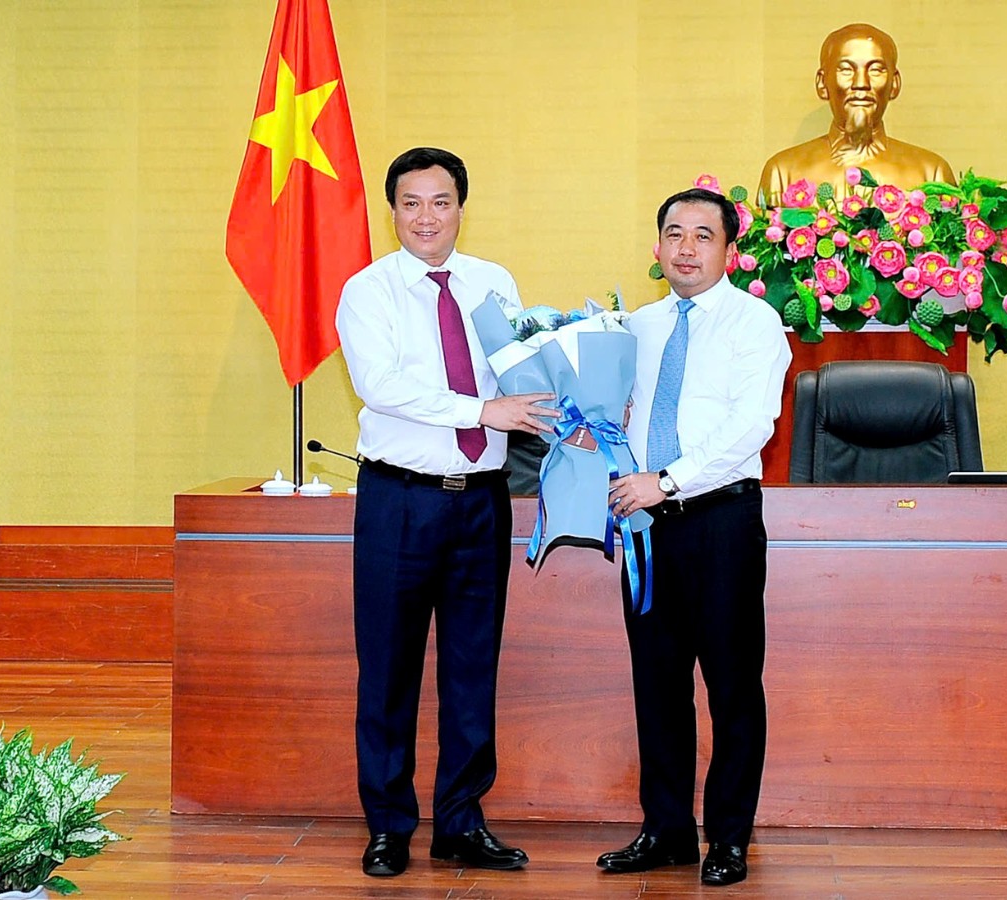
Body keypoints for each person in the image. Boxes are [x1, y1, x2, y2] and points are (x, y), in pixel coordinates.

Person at [336, 147, 557, 878]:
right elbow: (382, 386)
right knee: (389, 669)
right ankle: (388, 826)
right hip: (400, 500)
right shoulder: (368, 291)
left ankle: (461, 822)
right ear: (392, 212)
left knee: (471, 668)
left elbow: (520, 374)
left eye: (440, 202)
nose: (426, 217)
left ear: (461, 207)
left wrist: (571, 394)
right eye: (411, 203)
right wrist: (482, 409)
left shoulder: (494, 283)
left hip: (482, 502)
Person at [602, 188, 791, 886]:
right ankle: (666, 831)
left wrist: (668, 479)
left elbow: (752, 426)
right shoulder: (636, 327)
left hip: (719, 521)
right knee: (657, 683)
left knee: (732, 684)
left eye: (703, 236)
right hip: (645, 526)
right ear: (656, 248)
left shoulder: (755, 323)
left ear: (730, 251)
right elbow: (615, 415)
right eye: (674, 234)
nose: (686, 248)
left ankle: (729, 838)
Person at [758, 22, 956, 202]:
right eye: (846, 70)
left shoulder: (931, 173)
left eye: (876, 70)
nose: (861, 83)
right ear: (822, 83)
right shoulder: (782, 173)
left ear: (894, 84)